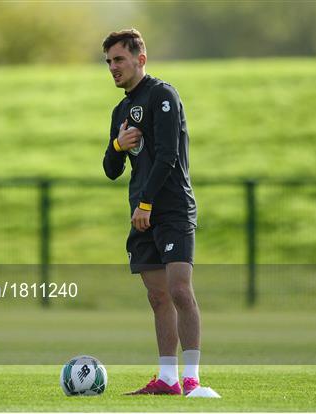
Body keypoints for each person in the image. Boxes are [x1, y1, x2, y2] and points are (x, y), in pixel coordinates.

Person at [102, 29, 200, 396]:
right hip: (141, 214)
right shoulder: (121, 111)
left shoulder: (163, 95)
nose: (113, 67)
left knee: (179, 290)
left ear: (140, 59)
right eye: (109, 61)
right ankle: (168, 379)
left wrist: (147, 202)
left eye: (119, 60)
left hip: (171, 208)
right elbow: (111, 169)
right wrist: (117, 143)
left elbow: (167, 155)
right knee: (157, 297)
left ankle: (192, 379)